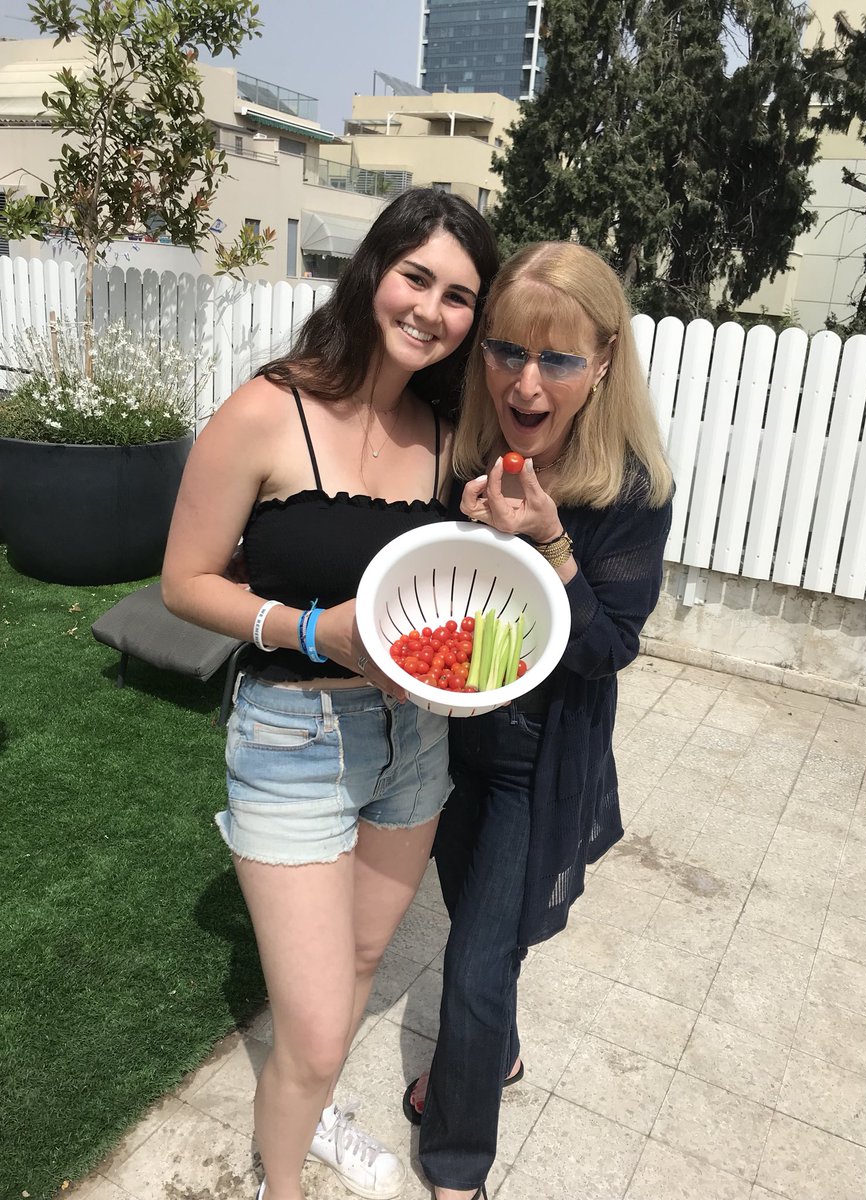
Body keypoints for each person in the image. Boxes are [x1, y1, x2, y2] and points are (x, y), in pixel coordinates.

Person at [161, 188, 499, 1200]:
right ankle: (281, 1182)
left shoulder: (448, 434)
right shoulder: (269, 408)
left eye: (459, 296)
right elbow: (184, 582)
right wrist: (313, 629)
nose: (432, 309)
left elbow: (455, 590)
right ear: (373, 272)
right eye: (417, 277)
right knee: (309, 1025)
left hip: (415, 742)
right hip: (293, 736)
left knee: (355, 969)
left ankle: (308, 1116)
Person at [401, 242, 674, 1200]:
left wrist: (550, 540)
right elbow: (440, 600)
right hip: (451, 743)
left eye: (558, 359)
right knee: (482, 920)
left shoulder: (631, 490)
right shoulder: (465, 455)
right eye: (509, 350)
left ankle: (456, 1161)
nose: (527, 381)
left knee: (475, 962)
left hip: (535, 758)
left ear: (603, 362)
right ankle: (495, 1055)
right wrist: (470, 525)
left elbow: (608, 651)